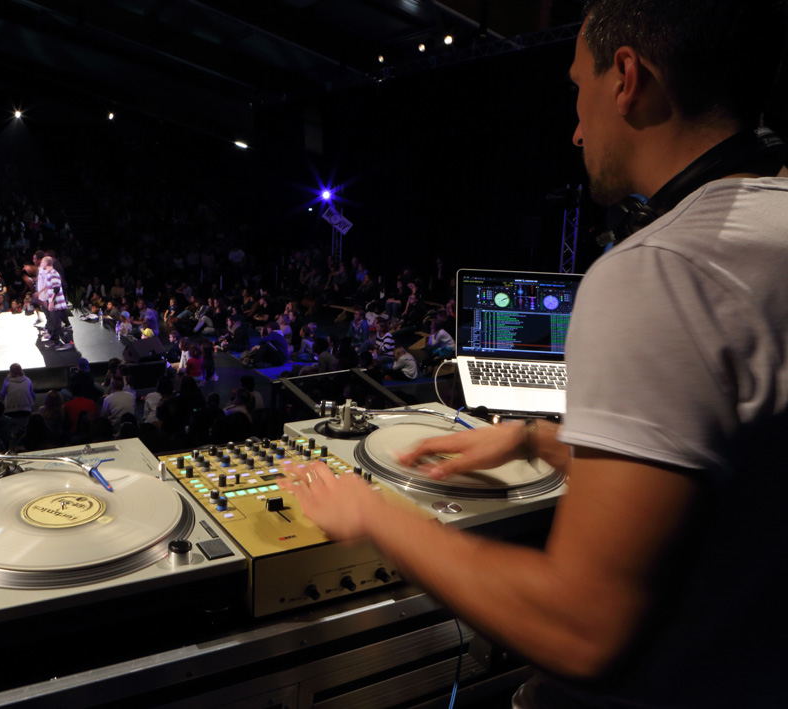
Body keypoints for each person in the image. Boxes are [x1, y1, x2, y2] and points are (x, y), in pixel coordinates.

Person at [293, 3, 788, 707]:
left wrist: (370, 512)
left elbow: (581, 625)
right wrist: (533, 437)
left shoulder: (659, 270)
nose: (577, 128)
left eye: (576, 90)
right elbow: (727, 478)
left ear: (626, 78)